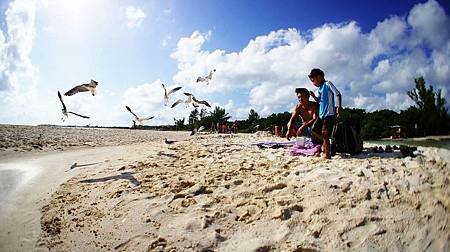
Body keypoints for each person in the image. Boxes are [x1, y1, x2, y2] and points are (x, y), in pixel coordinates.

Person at [308, 68, 342, 159]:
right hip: (321, 114)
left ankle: (327, 154)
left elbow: (338, 94)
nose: (313, 83)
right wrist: (314, 96)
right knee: (313, 130)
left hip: (329, 113)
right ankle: (326, 142)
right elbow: (319, 101)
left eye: (313, 81)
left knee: (325, 133)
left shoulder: (328, 84)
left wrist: (339, 107)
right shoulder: (319, 89)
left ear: (319, 77)